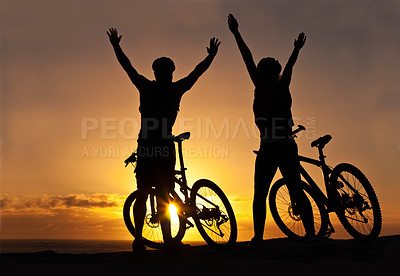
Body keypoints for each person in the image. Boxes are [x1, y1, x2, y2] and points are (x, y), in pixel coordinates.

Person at [107, 27, 221, 252]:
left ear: (155, 72)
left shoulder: (146, 87)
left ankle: (140, 240)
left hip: (148, 147)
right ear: (170, 72)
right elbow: (195, 74)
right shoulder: (175, 88)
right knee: (162, 194)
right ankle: (167, 241)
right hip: (163, 148)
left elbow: (127, 67)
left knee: (144, 194)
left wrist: (116, 46)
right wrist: (210, 56)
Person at [227, 14, 315, 247]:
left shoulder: (261, 86)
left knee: (261, 194)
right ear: (274, 72)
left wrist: (236, 33)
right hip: (286, 144)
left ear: (261, 72)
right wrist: (296, 50)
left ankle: (258, 237)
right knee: (295, 189)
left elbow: (248, 58)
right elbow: (289, 66)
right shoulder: (282, 85)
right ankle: (311, 235)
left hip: (269, 147)